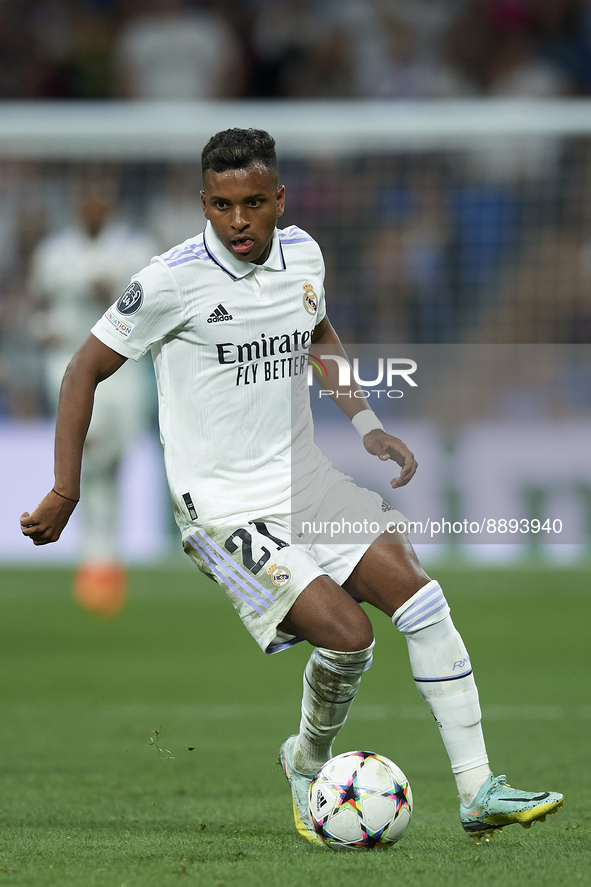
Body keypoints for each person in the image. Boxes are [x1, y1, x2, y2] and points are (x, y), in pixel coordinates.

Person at [20, 128, 563, 844]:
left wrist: (365, 421)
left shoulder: (304, 252)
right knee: (349, 637)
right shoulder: (169, 280)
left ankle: (477, 790)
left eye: (251, 202)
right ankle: (306, 760)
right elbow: (81, 369)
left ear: (279, 199)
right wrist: (66, 487)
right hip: (219, 507)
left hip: (302, 478)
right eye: (220, 204)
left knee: (421, 594)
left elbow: (317, 330)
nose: (237, 220)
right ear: (203, 203)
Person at [28, 173, 156, 617]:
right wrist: (41, 330)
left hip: (122, 370)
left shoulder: (136, 250)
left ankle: (103, 560)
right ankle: (96, 561)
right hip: (68, 364)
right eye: (86, 200)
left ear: (112, 205)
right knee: (94, 450)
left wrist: (114, 292)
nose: (93, 208)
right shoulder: (54, 253)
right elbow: (37, 304)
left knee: (111, 466)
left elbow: (152, 307)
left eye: (101, 200)